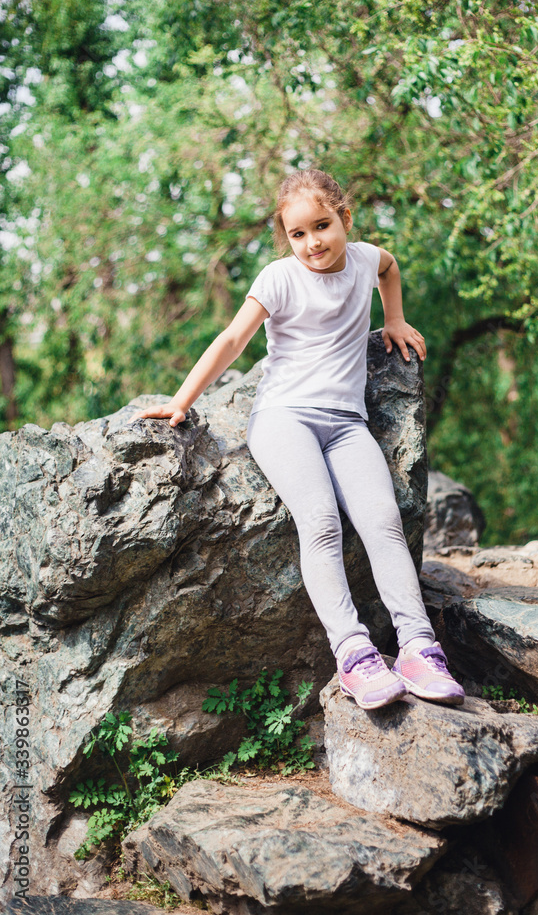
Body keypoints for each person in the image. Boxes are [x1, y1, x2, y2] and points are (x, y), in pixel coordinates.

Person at [128, 169, 465, 711]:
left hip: (347, 425)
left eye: (322, 226)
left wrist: (395, 319)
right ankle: (354, 654)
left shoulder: (364, 259)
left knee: (383, 521)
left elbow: (389, 266)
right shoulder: (279, 277)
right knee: (321, 521)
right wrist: (182, 400)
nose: (312, 243)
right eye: (298, 233)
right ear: (286, 238)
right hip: (284, 419)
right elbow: (232, 339)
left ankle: (418, 648)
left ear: (345, 218)